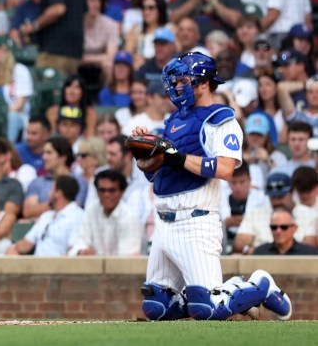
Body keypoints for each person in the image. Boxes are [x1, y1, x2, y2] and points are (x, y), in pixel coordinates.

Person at [132, 52, 292, 321]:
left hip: (196, 221)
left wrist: (178, 157)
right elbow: (161, 176)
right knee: (157, 307)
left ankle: (258, 286)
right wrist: (145, 158)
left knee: (208, 309)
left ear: (204, 83)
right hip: (164, 223)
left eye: (184, 80)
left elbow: (226, 168)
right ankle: (222, 297)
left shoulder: (220, 118)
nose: (178, 87)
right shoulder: (173, 121)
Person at [69, 169, 142, 256]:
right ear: (97, 191)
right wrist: (82, 252)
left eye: (112, 190)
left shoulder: (130, 217)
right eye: (102, 190)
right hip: (94, 267)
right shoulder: (91, 211)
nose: (106, 195)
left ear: (122, 192)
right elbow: (79, 242)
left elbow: (127, 258)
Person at [7, 175, 84, 256]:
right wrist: (12, 248)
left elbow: (73, 251)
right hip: (36, 265)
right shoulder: (46, 215)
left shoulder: (78, 216)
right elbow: (26, 244)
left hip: (60, 266)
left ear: (58, 193)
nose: (48, 194)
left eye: (51, 190)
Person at [253, 209, 318, 255]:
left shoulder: (309, 253)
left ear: (294, 228)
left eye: (284, 227)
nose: (278, 231)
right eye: (274, 227)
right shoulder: (260, 252)